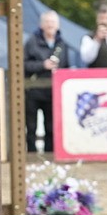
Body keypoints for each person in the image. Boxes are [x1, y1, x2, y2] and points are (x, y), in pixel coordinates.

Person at [23, 10, 66, 153]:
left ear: (58, 25)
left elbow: (66, 66)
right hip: (33, 91)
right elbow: (23, 64)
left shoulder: (62, 44)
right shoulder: (31, 42)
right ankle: (31, 154)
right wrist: (43, 65)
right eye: (47, 22)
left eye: (53, 22)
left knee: (51, 125)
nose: (50, 25)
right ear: (41, 25)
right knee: (31, 125)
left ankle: (50, 153)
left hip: (53, 92)